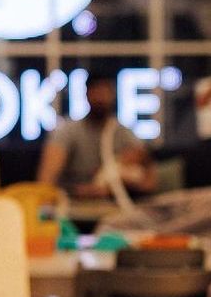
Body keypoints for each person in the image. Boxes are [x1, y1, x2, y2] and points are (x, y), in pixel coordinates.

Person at [36, 74, 156, 206]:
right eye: (96, 92)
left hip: (116, 208)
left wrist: (114, 188)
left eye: (104, 92)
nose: (100, 98)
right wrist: (76, 191)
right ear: (86, 94)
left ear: (113, 94)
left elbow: (149, 182)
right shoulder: (68, 131)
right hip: (73, 206)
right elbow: (46, 180)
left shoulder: (124, 133)